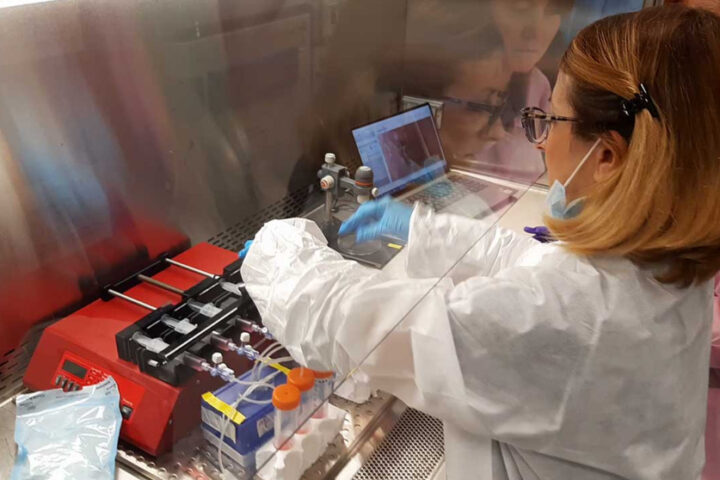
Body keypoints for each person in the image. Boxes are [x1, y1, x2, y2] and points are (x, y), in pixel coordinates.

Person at [240, 6, 720, 479]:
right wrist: (421, 228)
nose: (539, 141)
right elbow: (534, 262)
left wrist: (278, 255)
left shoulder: (569, 316)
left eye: (550, 121)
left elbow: (362, 327)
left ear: (609, 156)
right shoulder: (668, 262)